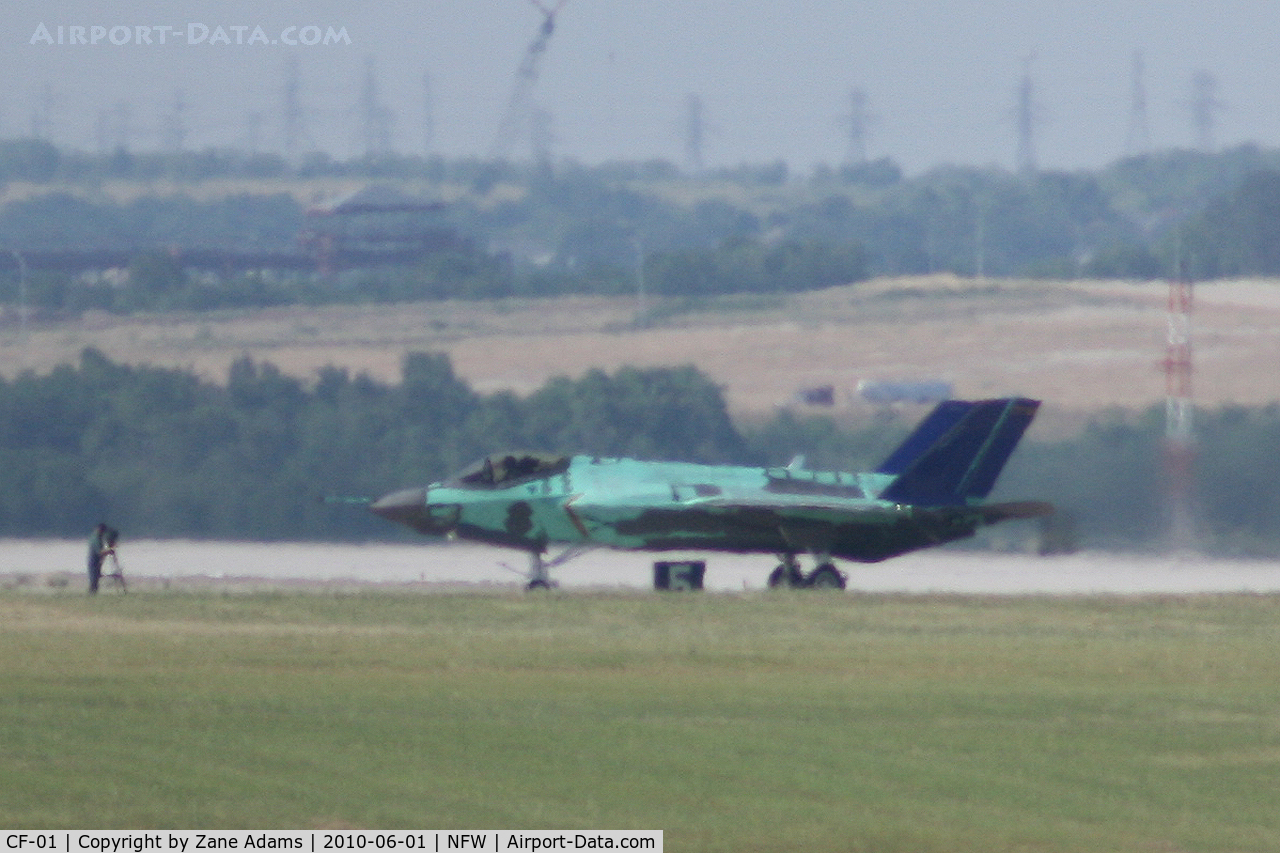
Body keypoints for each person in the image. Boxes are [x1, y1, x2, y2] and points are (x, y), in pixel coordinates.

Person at [87, 522, 115, 595]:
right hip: (94, 561)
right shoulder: (96, 538)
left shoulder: (98, 537)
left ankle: (93, 593)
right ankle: (92, 594)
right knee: (93, 580)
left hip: (97, 560)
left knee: (95, 579)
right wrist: (109, 551)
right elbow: (100, 552)